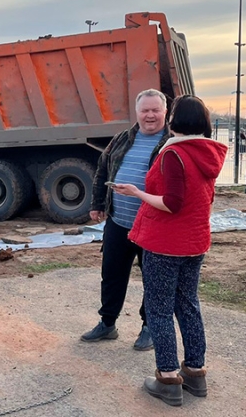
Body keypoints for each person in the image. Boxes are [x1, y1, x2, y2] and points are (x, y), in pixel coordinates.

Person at [117, 95, 227, 407]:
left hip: (166, 243)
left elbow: (171, 203)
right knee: (188, 304)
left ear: (174, 120)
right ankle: (195, 371)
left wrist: (137, 192)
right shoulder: (207, 152)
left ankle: (167, 377)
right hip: (194, 242)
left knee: (160, 309)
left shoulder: (174, 154)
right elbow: (204, 198)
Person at [82, 89, 171, 351]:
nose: (150, 115)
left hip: (153, 227)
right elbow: (102, 168)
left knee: (152, 280)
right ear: (137, 112)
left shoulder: (170, 143)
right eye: (145, 110)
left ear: (165, 112)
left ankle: (149, 328)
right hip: (118, 222)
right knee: (111, 275)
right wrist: (97, 203)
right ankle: (107, 323)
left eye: (156, 110)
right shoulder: (122, 139)